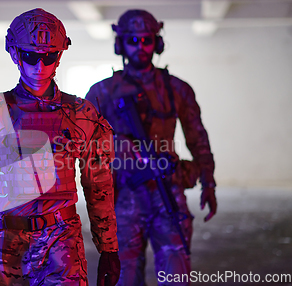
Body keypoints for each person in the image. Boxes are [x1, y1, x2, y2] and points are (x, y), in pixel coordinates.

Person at [0, 8, 120, 286]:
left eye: (49, 57)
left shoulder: (81, 115)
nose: (40, 66)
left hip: (61, 244)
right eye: (31, 56)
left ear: (59, 56)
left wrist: (109, 248)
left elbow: (99, 186)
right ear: (15, 54)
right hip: (5, 244)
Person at [86, 9, 217, 286]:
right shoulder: (103, 92)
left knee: (176, 274)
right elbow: (84, 146)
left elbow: (197, 138)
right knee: (125, 277)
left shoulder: (177, 89)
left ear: (156, 43)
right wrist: (115, 145)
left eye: (147, 40)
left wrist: (208, 182)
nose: (141, 47)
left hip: (166, 191)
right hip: (124, 195)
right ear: (121, 44)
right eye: (133, 40)